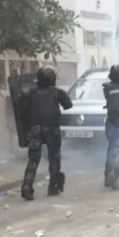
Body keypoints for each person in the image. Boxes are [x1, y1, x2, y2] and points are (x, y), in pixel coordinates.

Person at [20, 65, 72, 201]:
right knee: (54, 158)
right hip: (52, 129)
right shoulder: (57, 92)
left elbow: (23, 112)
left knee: (33, 159)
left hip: (35, 129)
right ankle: (53, 187)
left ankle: (27, 186)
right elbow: (68, 105)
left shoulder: (31, 93)